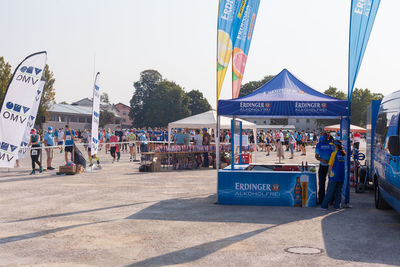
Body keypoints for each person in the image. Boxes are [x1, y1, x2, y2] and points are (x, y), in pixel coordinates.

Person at [320, 139, 347, 210]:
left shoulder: (334, 154)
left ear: (335, 145)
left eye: (333, 145)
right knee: (338, 191)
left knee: (330, 191)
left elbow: (330, 165)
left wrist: (329, 173)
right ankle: (337, 206)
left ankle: (324, 206)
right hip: (341, 175)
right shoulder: (343, 153)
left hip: (334, 175)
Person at [315, 133, 335, 204]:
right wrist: (324, 160)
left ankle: (327, 199)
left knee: (326, 183)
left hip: (328, 166)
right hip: (328, 166)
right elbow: (316, 156)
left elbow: (316, 156)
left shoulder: (320, 144)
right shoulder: (330, 144)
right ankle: (324, 199)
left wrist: (323, 160)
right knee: (326, 183)